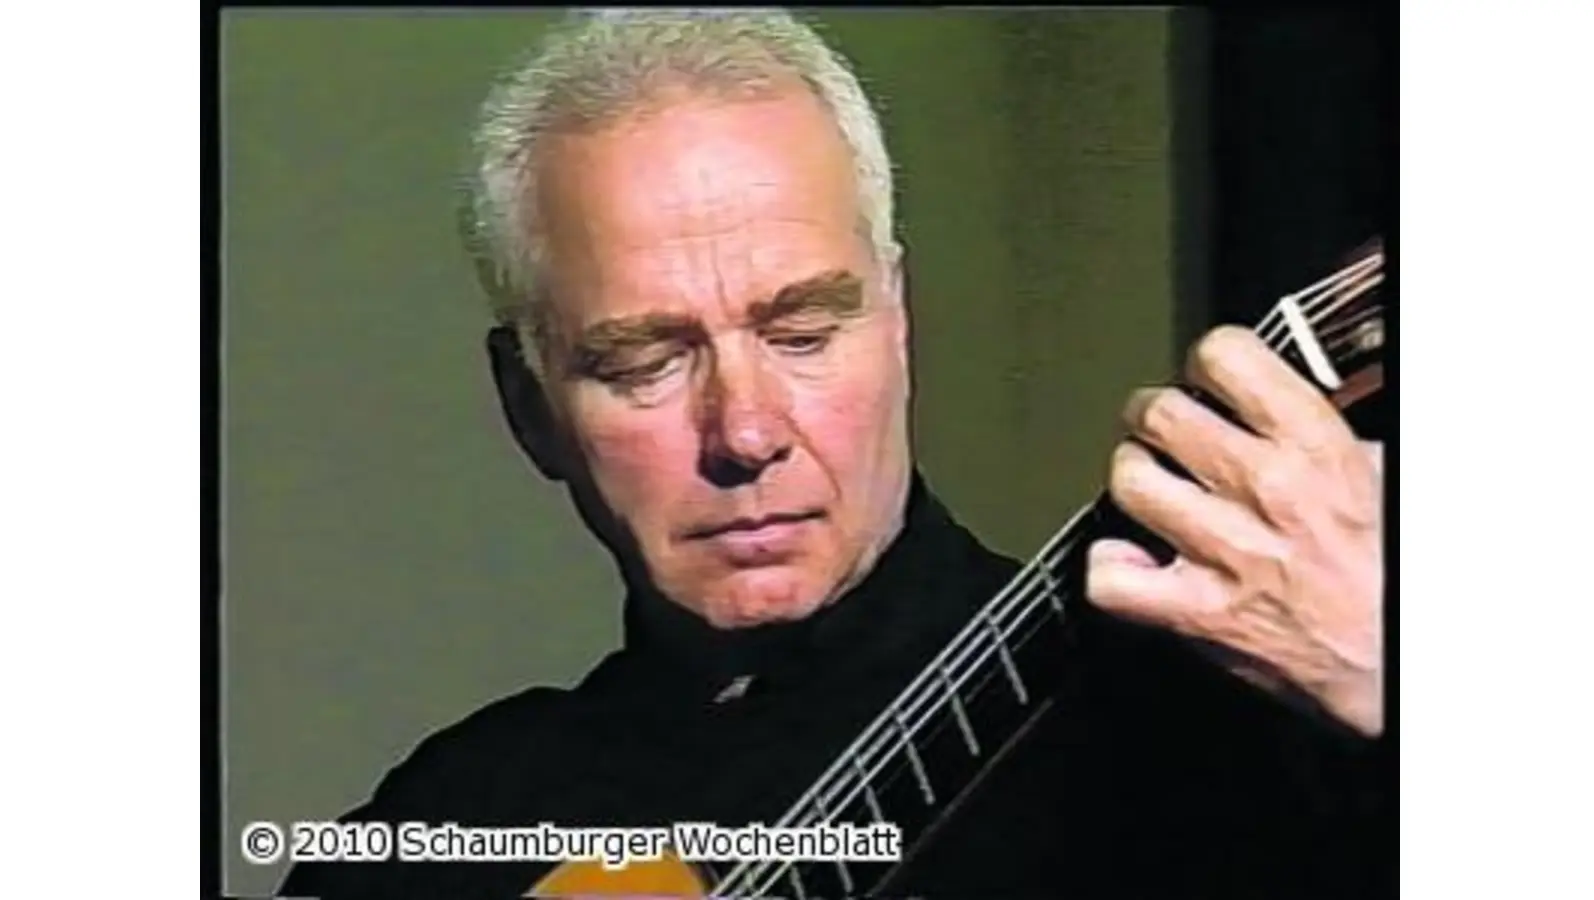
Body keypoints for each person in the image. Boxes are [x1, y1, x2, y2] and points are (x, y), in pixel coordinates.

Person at [281, 9, 1388, 899]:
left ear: (898, 320)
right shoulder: (441, 835)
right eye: (645, 363)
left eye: (803, 334)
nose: (748, 433)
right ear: (529, 407)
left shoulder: (1230, 732)